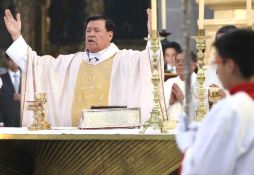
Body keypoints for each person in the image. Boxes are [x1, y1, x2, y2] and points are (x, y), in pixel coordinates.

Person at [4, 9, 166, 127]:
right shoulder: (70, 63)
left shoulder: (125, 61)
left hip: (113, 140)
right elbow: (35, 65)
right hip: (75, 140)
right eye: (88, 31)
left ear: (110, 35)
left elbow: (150, 61)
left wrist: (152, 34)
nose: (91, 34)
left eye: (96, 30)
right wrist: (16, 36)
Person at [176, 29, 254, 175]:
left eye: (217, 62)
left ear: (230, 65)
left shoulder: (231, 109)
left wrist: (188, 145)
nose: (216, 70)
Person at [164, 50, 197, 122]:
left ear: (194, 65)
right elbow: (159, 112)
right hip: (168, 128)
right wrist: (170, 102)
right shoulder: (168, 83)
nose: (180, 64)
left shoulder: (200, 84)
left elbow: (201, 115)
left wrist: (182, 99)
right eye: (177, 61)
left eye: (184, 61)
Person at [0, 54, 21, 127]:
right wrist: (1, 121)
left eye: (16, 60)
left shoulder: (27, 77)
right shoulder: (1, 78)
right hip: (7, 120)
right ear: (7, 61)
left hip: (25, 119)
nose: (14, 62)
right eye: (11, 60)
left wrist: (22, 98)